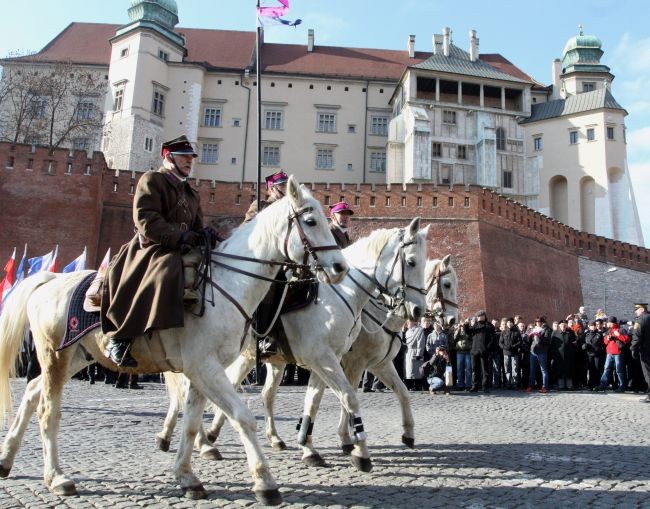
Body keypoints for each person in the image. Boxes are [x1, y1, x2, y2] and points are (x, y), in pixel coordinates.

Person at [102, 135, 209, 367]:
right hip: (154, 246)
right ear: (168, 156)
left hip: (183, 247)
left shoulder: (191, 193)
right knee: (165, 269)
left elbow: (197, 225)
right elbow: (146, 219)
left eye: (191, 158)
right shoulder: (153, 180)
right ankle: (121, 337)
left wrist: (206, 235)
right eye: (184, 157)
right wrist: (178, 236)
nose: (189, 161)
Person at [594, 317, 630, 392]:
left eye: (608, 323)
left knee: (619, 370)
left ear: (612, 323)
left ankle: (622, 386)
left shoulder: (621, 330)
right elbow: (605, 342)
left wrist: (618, 335)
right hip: (609, 353)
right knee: (606, 369)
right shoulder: (608, 331)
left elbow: (627, 340)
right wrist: (607, 338)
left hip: (618, 353)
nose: (607, 324)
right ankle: (602, 385)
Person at [464, 310, 495, 393]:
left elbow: (492, 339)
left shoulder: (489, 326)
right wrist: (466, 325)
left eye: (479, 316)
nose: (477, 318)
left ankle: (485, 387)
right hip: (474, 351)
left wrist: (487, 348)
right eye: (477, 316)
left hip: (484, 352)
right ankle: (475, 386)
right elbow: (468, 332)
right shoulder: (476, 325)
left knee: (485, 370)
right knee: (475, 369)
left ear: (483, 316)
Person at [631, 303, 650, 403]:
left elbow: (637, 336)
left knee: (648, 373)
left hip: (646, 351)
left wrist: (633, 348)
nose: (635, 312)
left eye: (637, 310)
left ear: (642, 310)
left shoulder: (641, 320)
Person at [527, 316, 551, 393]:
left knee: (543, 370)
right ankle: (530, 386)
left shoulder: (546, 330)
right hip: (533, 351)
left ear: (542, 322)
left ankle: (545, 387)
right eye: (536, 322)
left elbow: (547, 341)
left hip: (542, 351)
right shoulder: (533, 329)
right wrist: (529, 336)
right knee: (532, 370)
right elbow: (528, 341)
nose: (538, 323)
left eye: (539, 321)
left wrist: (539, 336)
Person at [552, 319, 578, 390]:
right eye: (562, 325)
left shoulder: (571, 332)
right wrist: (554, 354)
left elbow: (574, 343)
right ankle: (561, 385)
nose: (563, 326)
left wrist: (573, 351)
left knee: (569, 370)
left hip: (569, 355)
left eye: (564, 325)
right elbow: (552, 345)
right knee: (560, 371)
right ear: (559, 326)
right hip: (559, 356)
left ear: (566, 325)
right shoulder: (555, 333)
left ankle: (569, 385)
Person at [403, 320, 426, 391]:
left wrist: (419, 354)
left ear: (413, 323)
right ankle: (409, 385)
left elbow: (421, 342)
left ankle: (416, 386)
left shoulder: (419, 330)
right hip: (408, 352)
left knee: (416, 370)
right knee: (408, 370)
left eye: (408, 322)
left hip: (415, 352)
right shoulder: (407, 331)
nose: (407, 324)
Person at [499, 317, 522, 389]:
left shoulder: (516, 332)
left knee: (514, 369)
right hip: (506, 353)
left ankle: (514, 384)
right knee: (507, 369)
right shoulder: (503, 332)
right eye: (508, 322)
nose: (509, 324)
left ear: (513, 323)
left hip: (514, 353)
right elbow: (500, 343)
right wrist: (505, 347)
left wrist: (513, 346)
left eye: (511, 322)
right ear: (506, 323)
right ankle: (508, 384)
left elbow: (520, 342)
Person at [582, 320, 604, 389]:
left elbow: (603, 344)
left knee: (597, 369)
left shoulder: (599, 334)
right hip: (589, 354)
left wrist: (600, 349)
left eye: (594, 325)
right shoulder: (586, 334)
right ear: (589, 326)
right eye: (592, 326)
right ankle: (590, 384)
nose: (593, 327)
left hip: (597, 354)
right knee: (590, 370)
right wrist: (584, 346)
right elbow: (581, 342)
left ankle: (597, 384)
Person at [450, 320, 472, 391]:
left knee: (468, 369)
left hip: (468, 352)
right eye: (461, 324)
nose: (462, 326)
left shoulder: (469, 330)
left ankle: (468, 385)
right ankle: (460, 385)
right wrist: (459, 329)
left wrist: (465, 328)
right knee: (459, 369)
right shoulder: (457, 330)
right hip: (459, 352)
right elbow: (455, 339)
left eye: (463, 324)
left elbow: (469, 337)